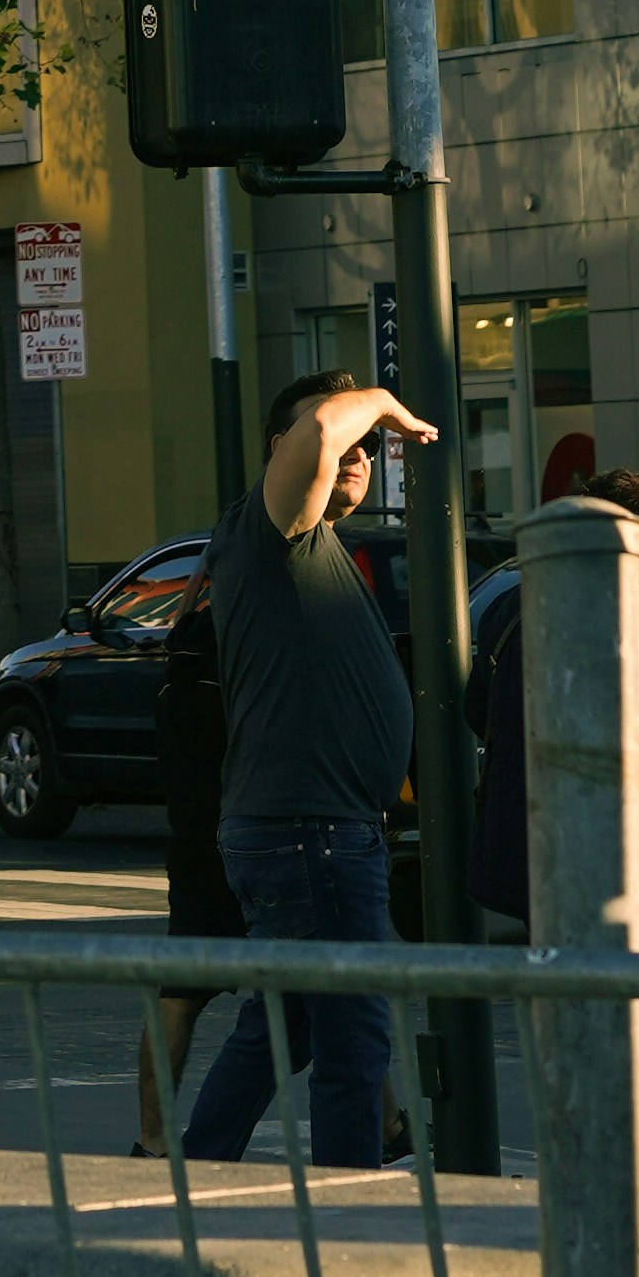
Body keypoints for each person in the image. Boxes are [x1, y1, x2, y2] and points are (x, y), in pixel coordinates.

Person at [180, 368, 436, 1169]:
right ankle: (345, 1206)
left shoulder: (311, 541)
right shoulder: (276, 524)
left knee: (283, 1026)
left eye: (369, 447)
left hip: (314, 826)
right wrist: (385, 403)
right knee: (353, 1034)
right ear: (278, 452)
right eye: (346, 439)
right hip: (310, 832)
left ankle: (200, 1169)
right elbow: (322, 431)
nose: (357, 452)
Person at [472, 468, 639, 929]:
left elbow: (477, 708)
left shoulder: (509, 607)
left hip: (517, 838)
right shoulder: (615, 631)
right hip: (596, 854)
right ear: (625, 547)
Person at [141, 580, 244, 1150]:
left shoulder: (177, 673)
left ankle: (152, 1138)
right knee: (326, 984)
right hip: (247, 841)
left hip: (191, 846)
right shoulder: (238, 672)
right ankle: (385, 1122)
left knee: (178, 997)